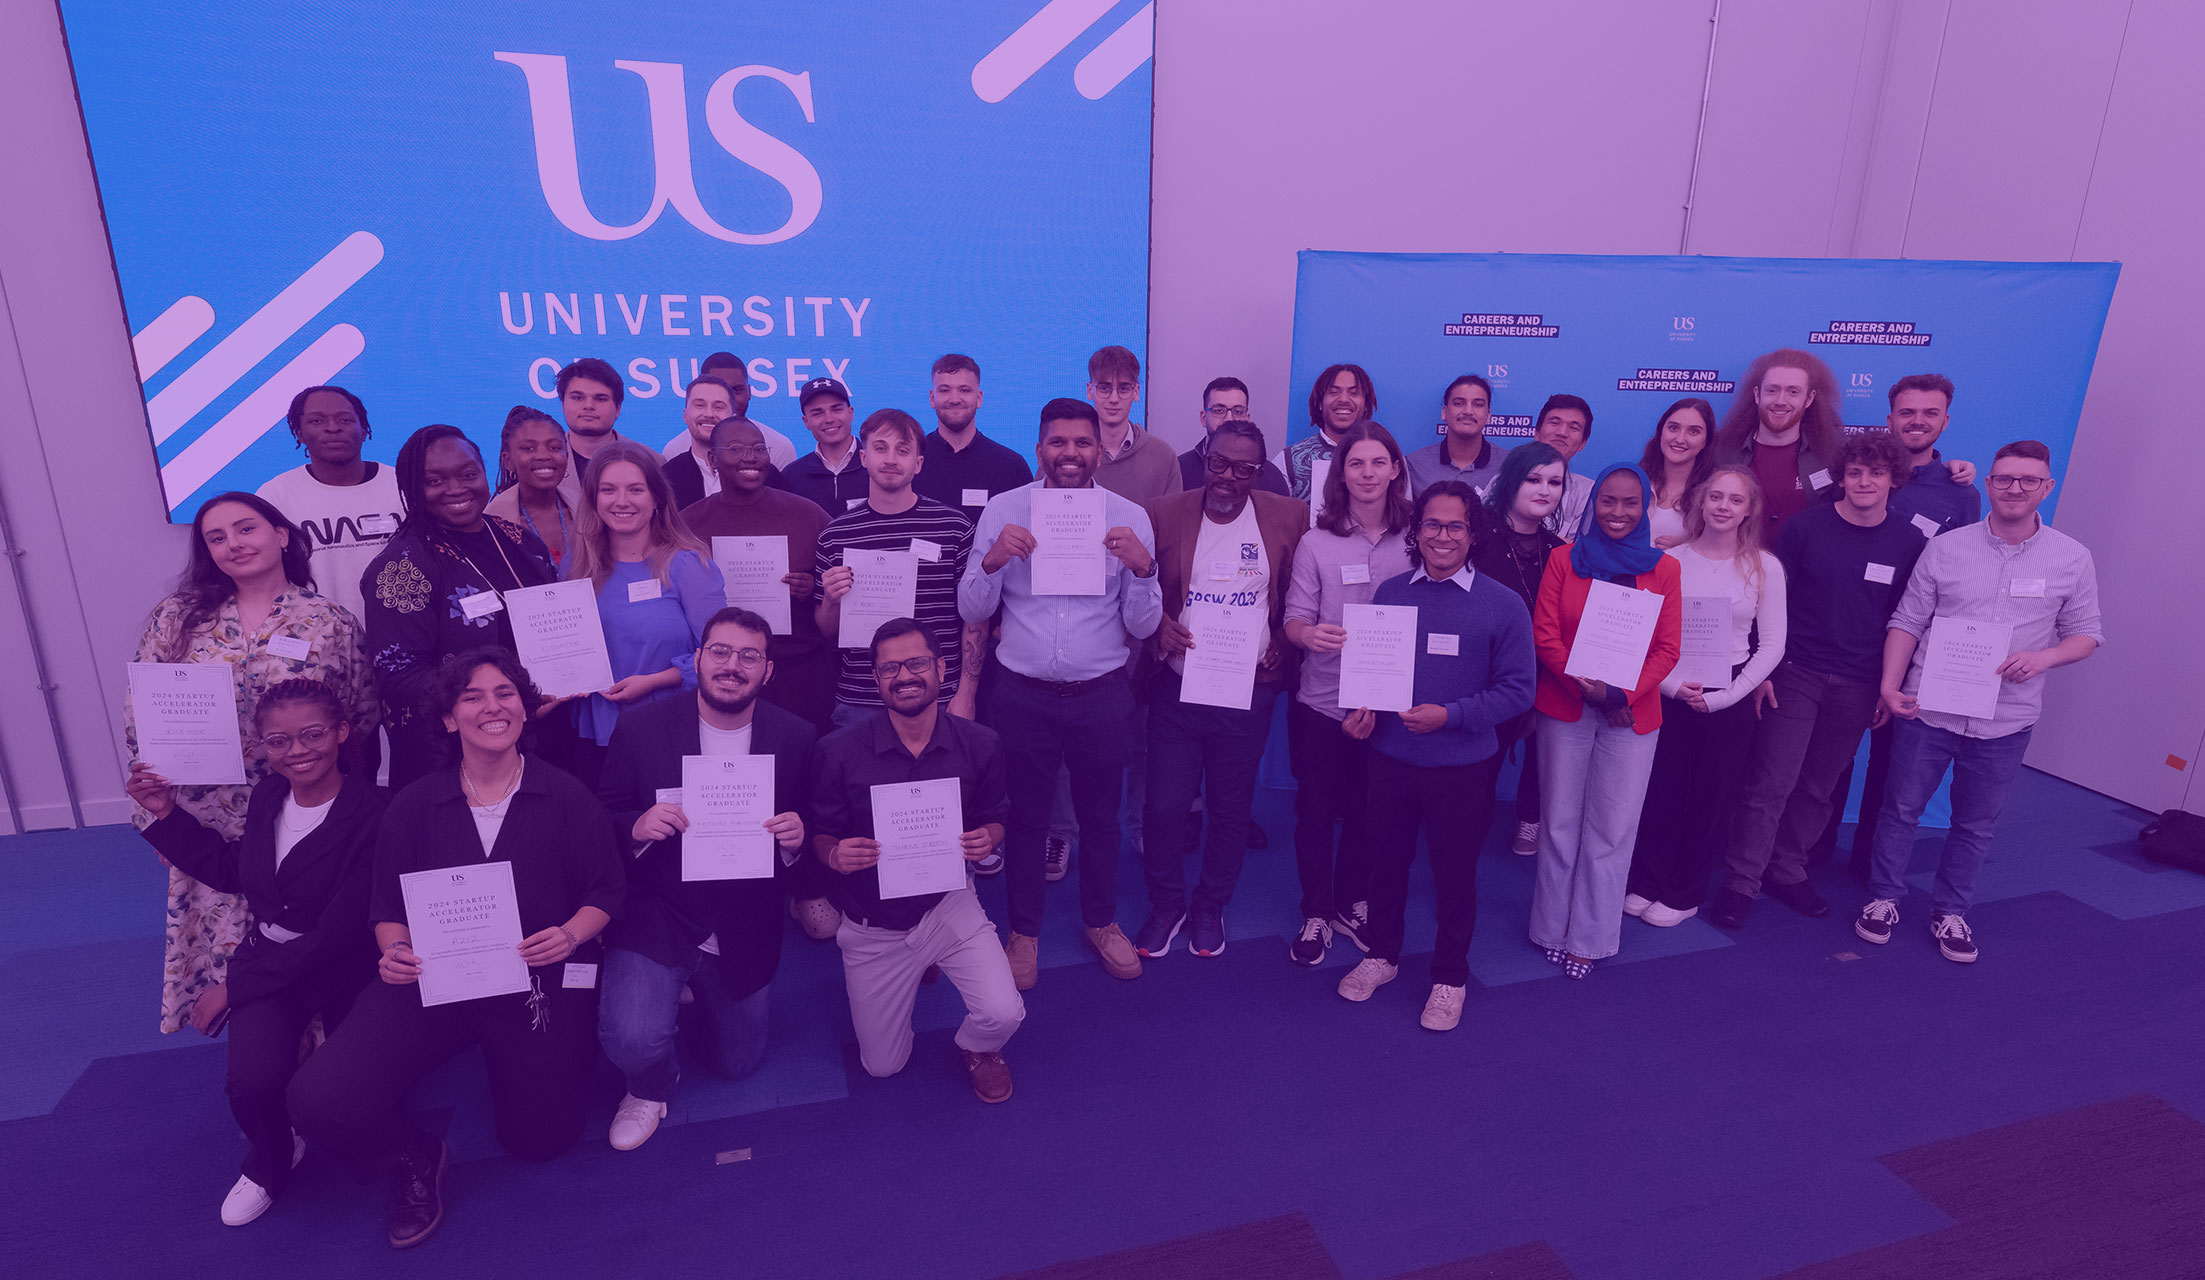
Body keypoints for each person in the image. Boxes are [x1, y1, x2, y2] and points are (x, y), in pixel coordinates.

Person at [285, 648, 624, 1250]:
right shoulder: (414, 804)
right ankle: (412, 1154)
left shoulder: (568, 797)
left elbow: (606, 892)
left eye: (505, 693)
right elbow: (387, 907)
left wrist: (571, 934)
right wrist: (394, 951)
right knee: (319, 1100)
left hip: (536, 985)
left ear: (525, 708)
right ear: (448, 718)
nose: (492, 707)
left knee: (541, 1142)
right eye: (472, 696)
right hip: (432, 982)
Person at [125, 678, 385, 1226]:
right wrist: (166, 814)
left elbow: (336, 936)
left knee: (345, 1099)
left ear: (341, 732)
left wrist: (233, 989)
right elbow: (238, 873)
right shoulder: (269, 795)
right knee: (251, 1084)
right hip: (269, 961)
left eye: (313, 734)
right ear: (263, 746)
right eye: (279, 741)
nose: (297, 751)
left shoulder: (376, 813)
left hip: (346, 970)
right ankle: (272, 1159)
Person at [130, 492, 377, 1034]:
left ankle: (326, 1050)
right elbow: (141, 719)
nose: (233, 544)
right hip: (206, 814)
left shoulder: (329, 621)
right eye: (216, 538)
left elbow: (359, 716)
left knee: (311, 932)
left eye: (246, 529)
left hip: (304, 809)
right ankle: (257, 1043)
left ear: (281, 535)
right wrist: (160, 823)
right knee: (227, 938)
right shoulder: (177, 619)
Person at [1856, 440, 2101, 962]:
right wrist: (1889, 686)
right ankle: (1882, 899)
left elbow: (2086, 635)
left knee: (1974, 825)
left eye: (2028, 480)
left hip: (2006, 719)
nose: (2015, 488)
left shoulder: (2072, 557)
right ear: (1988, 484)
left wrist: (2044, 658)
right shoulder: (1946, 548)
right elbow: (1908, 620)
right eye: (2005, 478)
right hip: (1928, 709)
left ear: (2046, 487)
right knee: (1899, 810)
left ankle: (1951, 912)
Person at [959, 399, 1163, 989]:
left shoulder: (1129, 516)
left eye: (1081, 443)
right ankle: (1023, 932)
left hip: (1103, 694)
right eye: (1057, 442)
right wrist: (993, 560)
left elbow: (1145, 625)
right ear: (1040, 447)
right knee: (1026, 819)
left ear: (1098, 450)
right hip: (1022, 695)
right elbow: (971, 607)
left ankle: (1101, 922)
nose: (1069, 453)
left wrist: (1144, 569)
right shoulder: (1004, 510)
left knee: (1101, 818)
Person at [595, 607, 814, 1149]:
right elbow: (605, 814)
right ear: (697, 659)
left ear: (767, 671)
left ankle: (689, 995)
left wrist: (796, 842)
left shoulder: (796, 737)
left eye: (749, 656)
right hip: (659, 911)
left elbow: (816, 832)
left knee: (737, 1064)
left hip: (743, 919)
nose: (732, 665)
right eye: (720, 651)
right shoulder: (641, 728)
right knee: (632, 1039)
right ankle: (649, 1086)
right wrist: (636, 826)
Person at [1334, 481, 1535, 1028]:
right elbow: (1371, 675)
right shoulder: (1391, 594)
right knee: (1385, 865)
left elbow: (1519, 690)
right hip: (1390, 759)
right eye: (1432, 524)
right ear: (1416, 531)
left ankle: (1450, 978)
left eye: (1455, 526)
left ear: (1474, 534)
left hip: (1462, 768)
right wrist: (1359, 712)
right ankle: (1382, 955)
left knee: (1454, 876)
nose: (1442, 536)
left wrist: (1452, 715)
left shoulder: (1504, 604)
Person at [1710, 432, 1926, 930]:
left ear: (1893, 479)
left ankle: (1785, 870)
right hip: (1795, 672)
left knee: (1818, 786)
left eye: (1876, 473)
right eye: (1855, 472)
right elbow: (1770, 604)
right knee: (1771, 782)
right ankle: (1741, 881)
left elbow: (1905, 618)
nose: (1865, 481)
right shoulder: (1805, 528)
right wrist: (1761, 672)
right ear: (1841, 478)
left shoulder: (1909, 541)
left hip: (1860, 682)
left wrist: (1887, 684)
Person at [809, 619, 1020, 1101]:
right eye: (890, 668)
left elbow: (996, 816)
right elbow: (821, 834)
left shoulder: (980, 743)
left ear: (942, 668)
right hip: (874, 924)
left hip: (946, 903)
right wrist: (836, 855)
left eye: (917, 663)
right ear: (876, 679)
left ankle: (979, 1047)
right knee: (883, 1066)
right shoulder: (837, 752)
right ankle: (916, 967)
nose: (904, 676)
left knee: (1003, 1012)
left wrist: (988, 838)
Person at [1134, 420, 1305, 959]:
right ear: (1205, 456)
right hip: (1178, 689)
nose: (1229, 477)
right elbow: (1137, 592)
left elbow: (1300, 594)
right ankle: (1166, 905)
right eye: (1220, 463)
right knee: (1164, 808)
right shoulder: (1164, 513)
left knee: (1230, 811)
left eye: (1244, 469)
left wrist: (1285, 641)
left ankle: (1210, 906)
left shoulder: (1289, 517)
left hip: (1247, 693)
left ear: (1260, 472)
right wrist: (1159, 627)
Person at [682, 415, 842, 942]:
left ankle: (808, 887)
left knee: (804, 778)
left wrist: (811, 588)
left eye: (758, 449)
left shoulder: (807, 514)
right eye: (735, 449)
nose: (750, 458)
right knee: (731, 779)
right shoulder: (688, 522)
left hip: (800, 670)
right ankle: (730, 884)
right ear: (712, 460)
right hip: (727, 676)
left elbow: (837, 588)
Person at [1826, 372, 1985, 875]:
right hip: (1845, 640)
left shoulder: (1961, 492)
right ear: (1889, 418)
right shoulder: (1856, 470)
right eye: (1907, 412)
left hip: (1914, 649)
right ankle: (1810, 854)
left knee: (1892, 764)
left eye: (1929, 413)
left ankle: (1869, 862)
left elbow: (1965, 570)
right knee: (1830, 758)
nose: (1917, 421)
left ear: (1945, 420)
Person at [1527, 465, 1683, 978]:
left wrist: (1620, 693)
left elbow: (1667, 649)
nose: (1618, 512)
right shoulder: (1563, 559)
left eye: (1630, 502)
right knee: (1559, 824)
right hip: (1567, 707)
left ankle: (1591, 937)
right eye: (1607, 501)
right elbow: (1545, 635)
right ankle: (1551, 927)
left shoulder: (1665, 570)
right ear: (1593, 505)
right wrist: (1591, 691)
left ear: (1645, 508)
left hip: (1631, 717)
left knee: (1612, 830)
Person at [1622, 467, 1787, 925]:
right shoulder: (1668, 561)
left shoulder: (1765, 567)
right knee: (1661, 789)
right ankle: (1648, 880)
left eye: (1735, 500)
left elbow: (1773, 644)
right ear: (1700, 501)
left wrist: (1728, 696)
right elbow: (1645, 633)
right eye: (1716, 496)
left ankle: (1685, 892)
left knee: (1712, 796)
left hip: (1729, 693)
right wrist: (1670, 685)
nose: (1723, 506)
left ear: (1749, 510)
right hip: (1668, 686)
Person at [1281, 421, 1414, 964]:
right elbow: (1294, 619)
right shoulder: (1316, 541)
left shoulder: (1418, 536)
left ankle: (1350, 902)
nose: (1367, 473)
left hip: (1390, 705)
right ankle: (1315, 910)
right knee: (1315, 814)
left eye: (1378, 462)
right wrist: (1308, 635)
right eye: (1355, 463)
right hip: (1323, 702)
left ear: (1396, 469)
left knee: (1369, 814)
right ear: (1341, 473)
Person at [360, 425, 556, 791]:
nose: (456, 489)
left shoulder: (518, 539)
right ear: (411, 488)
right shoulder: (401, 568)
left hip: (538, 738)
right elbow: (399, 675)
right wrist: (499, 699)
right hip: (448, 759)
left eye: (468, 474)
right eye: (435, 480)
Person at [555, 442, 727, 787]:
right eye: (608, 490)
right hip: (593, 734)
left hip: (668, 729)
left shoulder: (688, 565)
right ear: (593, 499)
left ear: (656, 498)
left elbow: (720, 653)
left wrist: (653, 681)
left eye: (635, 489)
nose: (622, 501)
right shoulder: (576, 566)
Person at [817, 409, 983, 729]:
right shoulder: (835, 535)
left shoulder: (954, 528)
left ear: (918, 463)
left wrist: (966, 693)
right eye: (880, 448)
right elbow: (826, 629)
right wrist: (831, 600)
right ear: (863, 458)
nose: (891, 459)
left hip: (939, 698)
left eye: (902, 450)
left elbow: (974, 619)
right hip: (861, 701)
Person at [1471, 443, 1568, 857]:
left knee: (1542, 758)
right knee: (1476, 779)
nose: (1545, 490)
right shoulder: (1475, 541)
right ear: (1511, 481)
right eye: (1533, 479)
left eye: (1554, 482)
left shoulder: (1561, 552)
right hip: (1482, 678)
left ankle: (1531, 818)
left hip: (1546, 675)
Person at [255, 385, 401, 629]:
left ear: (364, 430)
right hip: (317, 634)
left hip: (403, 630)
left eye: (345, 419)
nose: (333, 428)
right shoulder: (275, 495)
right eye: (317, 421)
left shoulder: (402, 484)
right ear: (299, 433)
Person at [913, 353, 1032, 515]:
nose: (954, 399)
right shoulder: (910, 462)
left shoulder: (1011, 467)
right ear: (932, 398)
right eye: (945, 390)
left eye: (964, 390)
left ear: (979, 398)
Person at [655, 352, 798, 472]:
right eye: (716, 391)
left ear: (749, 392)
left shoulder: (779, 447)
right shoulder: (675, 450)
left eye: (736, 390)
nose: (730, 399)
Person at [485, 406, 575, 573]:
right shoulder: (492, 522)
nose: (543, 456)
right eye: (528, 448)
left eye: (555, 448)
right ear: (508, 461)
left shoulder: (587, 509)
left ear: (567, 455)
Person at [1087, 345, 1180, 502]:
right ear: (1090, 390)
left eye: (1123, 389)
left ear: (1136, 392)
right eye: (1104, 388)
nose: (1114, 399)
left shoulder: (1164, 457)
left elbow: (1173, 516)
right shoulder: (1071, 454)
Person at [1274, 362, 1376, 506]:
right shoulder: (1288, 460)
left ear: (1366, 405)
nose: (1343, 399)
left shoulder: (1387, 457)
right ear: (1320, 403)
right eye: (1334, 392)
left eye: (1354, 393)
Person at [1177, 376, 1290, 495]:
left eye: (1238, 411)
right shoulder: (1179, 470)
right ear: (1203, 418)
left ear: (1247, 419)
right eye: (1219, 411)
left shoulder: (1270, 475)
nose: (1229, 419)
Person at [1406, 375, 1511, 495]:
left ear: (1488, 415)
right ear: (1444, 412)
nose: (1468, 411)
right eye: (1459, 403)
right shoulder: (1414, 465)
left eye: (1478, 405)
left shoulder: (1508, 465)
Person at [1637, 397, 1718, 549]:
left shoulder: (1714, 492)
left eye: (1693, 431)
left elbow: (1723, 547)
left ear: (1705, 441)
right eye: (1673, 428)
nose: (1680, 439)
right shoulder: (1635, 482)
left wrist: (1686, 544)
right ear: (1661, 432)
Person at [780, 376, 867, 513]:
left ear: (850, 413)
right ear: (806, 421)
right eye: (817, 413)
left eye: (836, 409)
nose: (829, 419)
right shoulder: (791, 476)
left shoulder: (878, 467)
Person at [554, 357, 631, 510]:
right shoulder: (543, 462)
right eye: (578, 398)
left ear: (618, 408)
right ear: (563, 405)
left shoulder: (652, 461)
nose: (588, 405)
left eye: (600, 399)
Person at [662, 374, 740, 510]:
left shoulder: (760, 472)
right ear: (685, 415)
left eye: (718, 407)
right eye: (699, 405)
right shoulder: (666, 477)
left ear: (733, 418)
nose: (709, 414)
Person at [1528, 394, 1600, 538]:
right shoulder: (1505, 478)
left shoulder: (1588, 492)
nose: (1562, 433)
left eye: (1573, 428)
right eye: (1554, 423)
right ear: (1537, 432)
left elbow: (1580, 546)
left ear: (1583, 443)